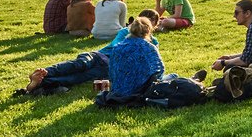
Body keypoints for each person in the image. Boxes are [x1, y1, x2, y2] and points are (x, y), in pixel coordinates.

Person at [22, 10, 161, 95]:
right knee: (79, 65)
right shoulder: (126, 32)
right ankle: (44, 73)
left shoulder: (152, 44)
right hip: (99, 57)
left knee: (79, 78)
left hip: (109, 69)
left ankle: (40, 83)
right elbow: (117, 47)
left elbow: (149, 65)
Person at [97, 17, 165, 103]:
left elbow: (112, 72)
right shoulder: (149, 47)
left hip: (118, 89)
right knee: (173, 76)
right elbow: (160, 71)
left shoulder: (118, 47)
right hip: (140, 90)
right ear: (148, 31)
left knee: (100, 83)